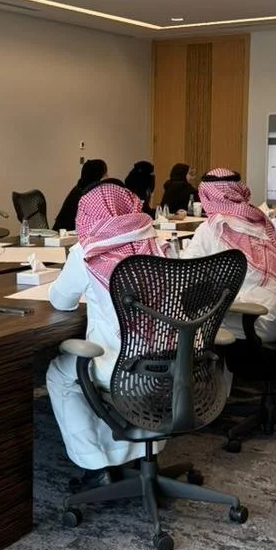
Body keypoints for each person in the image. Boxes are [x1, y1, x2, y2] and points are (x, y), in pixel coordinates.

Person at [46, 182, 169, 486]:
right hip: (169, 363)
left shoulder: (87, 252)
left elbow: (61, 301)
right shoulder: (158, 243)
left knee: (61, 374)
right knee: (99, 369)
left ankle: (95, 464)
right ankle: (140, 453)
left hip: (119, 366)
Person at [182, 169, 276, 343]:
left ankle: (200, 367)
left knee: (180, 308)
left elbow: (186, 270)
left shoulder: (213, 227)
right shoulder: (261, 219)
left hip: (251, 317)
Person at [52, 159, 107, 231]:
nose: (106, 177)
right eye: (104, 174)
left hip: (65, 234)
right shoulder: (87, 196)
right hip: (68, 237)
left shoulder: (79, 188)